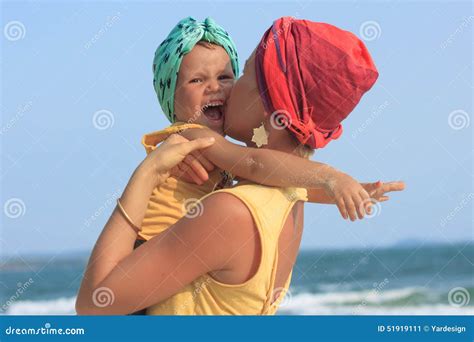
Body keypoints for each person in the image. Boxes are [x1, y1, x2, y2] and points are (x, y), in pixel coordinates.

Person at [76, 17, 405, 315]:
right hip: (145, 246)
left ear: (271, 104)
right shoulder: (285, 201)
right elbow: (263, 167)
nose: (219, 88)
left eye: (237, 73)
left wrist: (342, 187)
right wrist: (334, 181)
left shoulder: (236, 209)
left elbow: (93, 306)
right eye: (196, 81)